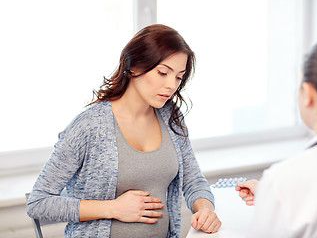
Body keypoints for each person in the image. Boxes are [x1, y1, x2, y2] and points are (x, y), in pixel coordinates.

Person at [26, 24, 221, 238]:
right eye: (163, 73)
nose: (171, 85)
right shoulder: (89, 126)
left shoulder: (170, 116)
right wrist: (113, 208)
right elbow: (39, 202)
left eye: (178, 77)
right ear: (134, 66)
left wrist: (205, 209)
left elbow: (193, 180)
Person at [236, 35, 317, 237]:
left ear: (308, 93)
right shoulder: (285, 184)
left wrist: (276, 195)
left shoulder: (284, 180)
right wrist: (271, 197)